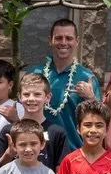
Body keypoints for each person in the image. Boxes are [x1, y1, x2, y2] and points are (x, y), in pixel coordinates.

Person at [27, 19, 101, 150]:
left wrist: (91, 98)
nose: (63, 42)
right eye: (59, 38)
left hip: (74, 152)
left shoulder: (86, 77)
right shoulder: (35, 74)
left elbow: (100, 119)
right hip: (38, 151)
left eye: (69, 38)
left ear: (77, 41)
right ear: (50, 40)